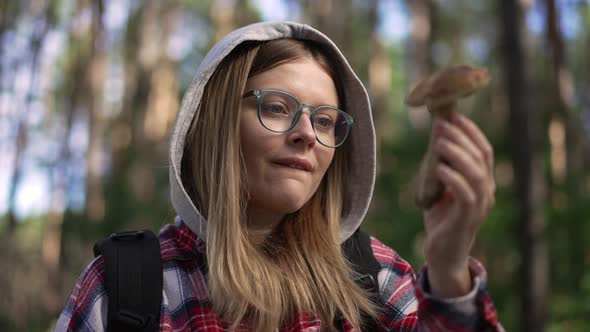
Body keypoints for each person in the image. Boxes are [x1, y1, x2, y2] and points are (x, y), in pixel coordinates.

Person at [56, 21, 503, 331]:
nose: (307, 134)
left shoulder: (375, 280)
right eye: (276, 108)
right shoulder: (128, 290)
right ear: (215, 123)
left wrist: (447, 269)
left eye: (326, 121)